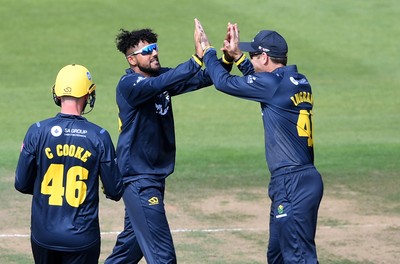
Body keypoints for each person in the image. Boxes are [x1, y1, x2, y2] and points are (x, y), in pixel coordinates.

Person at [194, 19, 324, 263]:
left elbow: (223, 82)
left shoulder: (271, 85)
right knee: (276, 255)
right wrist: (240, 58)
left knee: (298, 257)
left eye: (253, 54)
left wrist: (209, 52)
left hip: (291, 182)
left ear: (264, 58)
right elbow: (263, 82)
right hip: (301, 179)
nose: (250, 58)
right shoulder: (297, 80)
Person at [105, 28, 213, 264]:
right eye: (147, 51)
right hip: (139, 179)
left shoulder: (158, 79)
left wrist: (222, 58)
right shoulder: (129, 85)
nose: (154, 54)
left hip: (153, 177)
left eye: (154, 48)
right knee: (163, 256)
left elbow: (203, 78)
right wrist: (196, 59)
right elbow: (166, 81)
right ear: (132, 59)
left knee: (129, 250)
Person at [15, 64, 124, 264]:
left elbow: (21, 183)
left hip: (43, 236)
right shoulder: (98, 136)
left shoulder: (36, 131)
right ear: (88, 95)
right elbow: (115, 190)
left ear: (56, 94)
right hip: (82, 238)